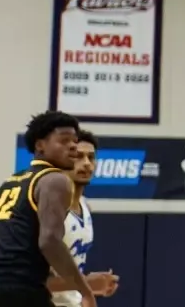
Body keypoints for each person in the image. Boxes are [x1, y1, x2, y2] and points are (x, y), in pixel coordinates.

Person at [0, 111, 98, 307]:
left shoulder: (10, 183)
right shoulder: (55, 180)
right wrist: (86, 291)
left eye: (74, 141)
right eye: (64, 141)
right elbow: (49, 241)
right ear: (40, 145)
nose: (72, 146)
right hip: (19, 290)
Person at [49, 130, 118, 307]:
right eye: (78, 156)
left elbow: (70, 277)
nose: (86, 163)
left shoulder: (85, 206)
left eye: (91, 157)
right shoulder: (49, 209)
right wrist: (87, 282)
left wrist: (90, 290)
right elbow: (30, 282)